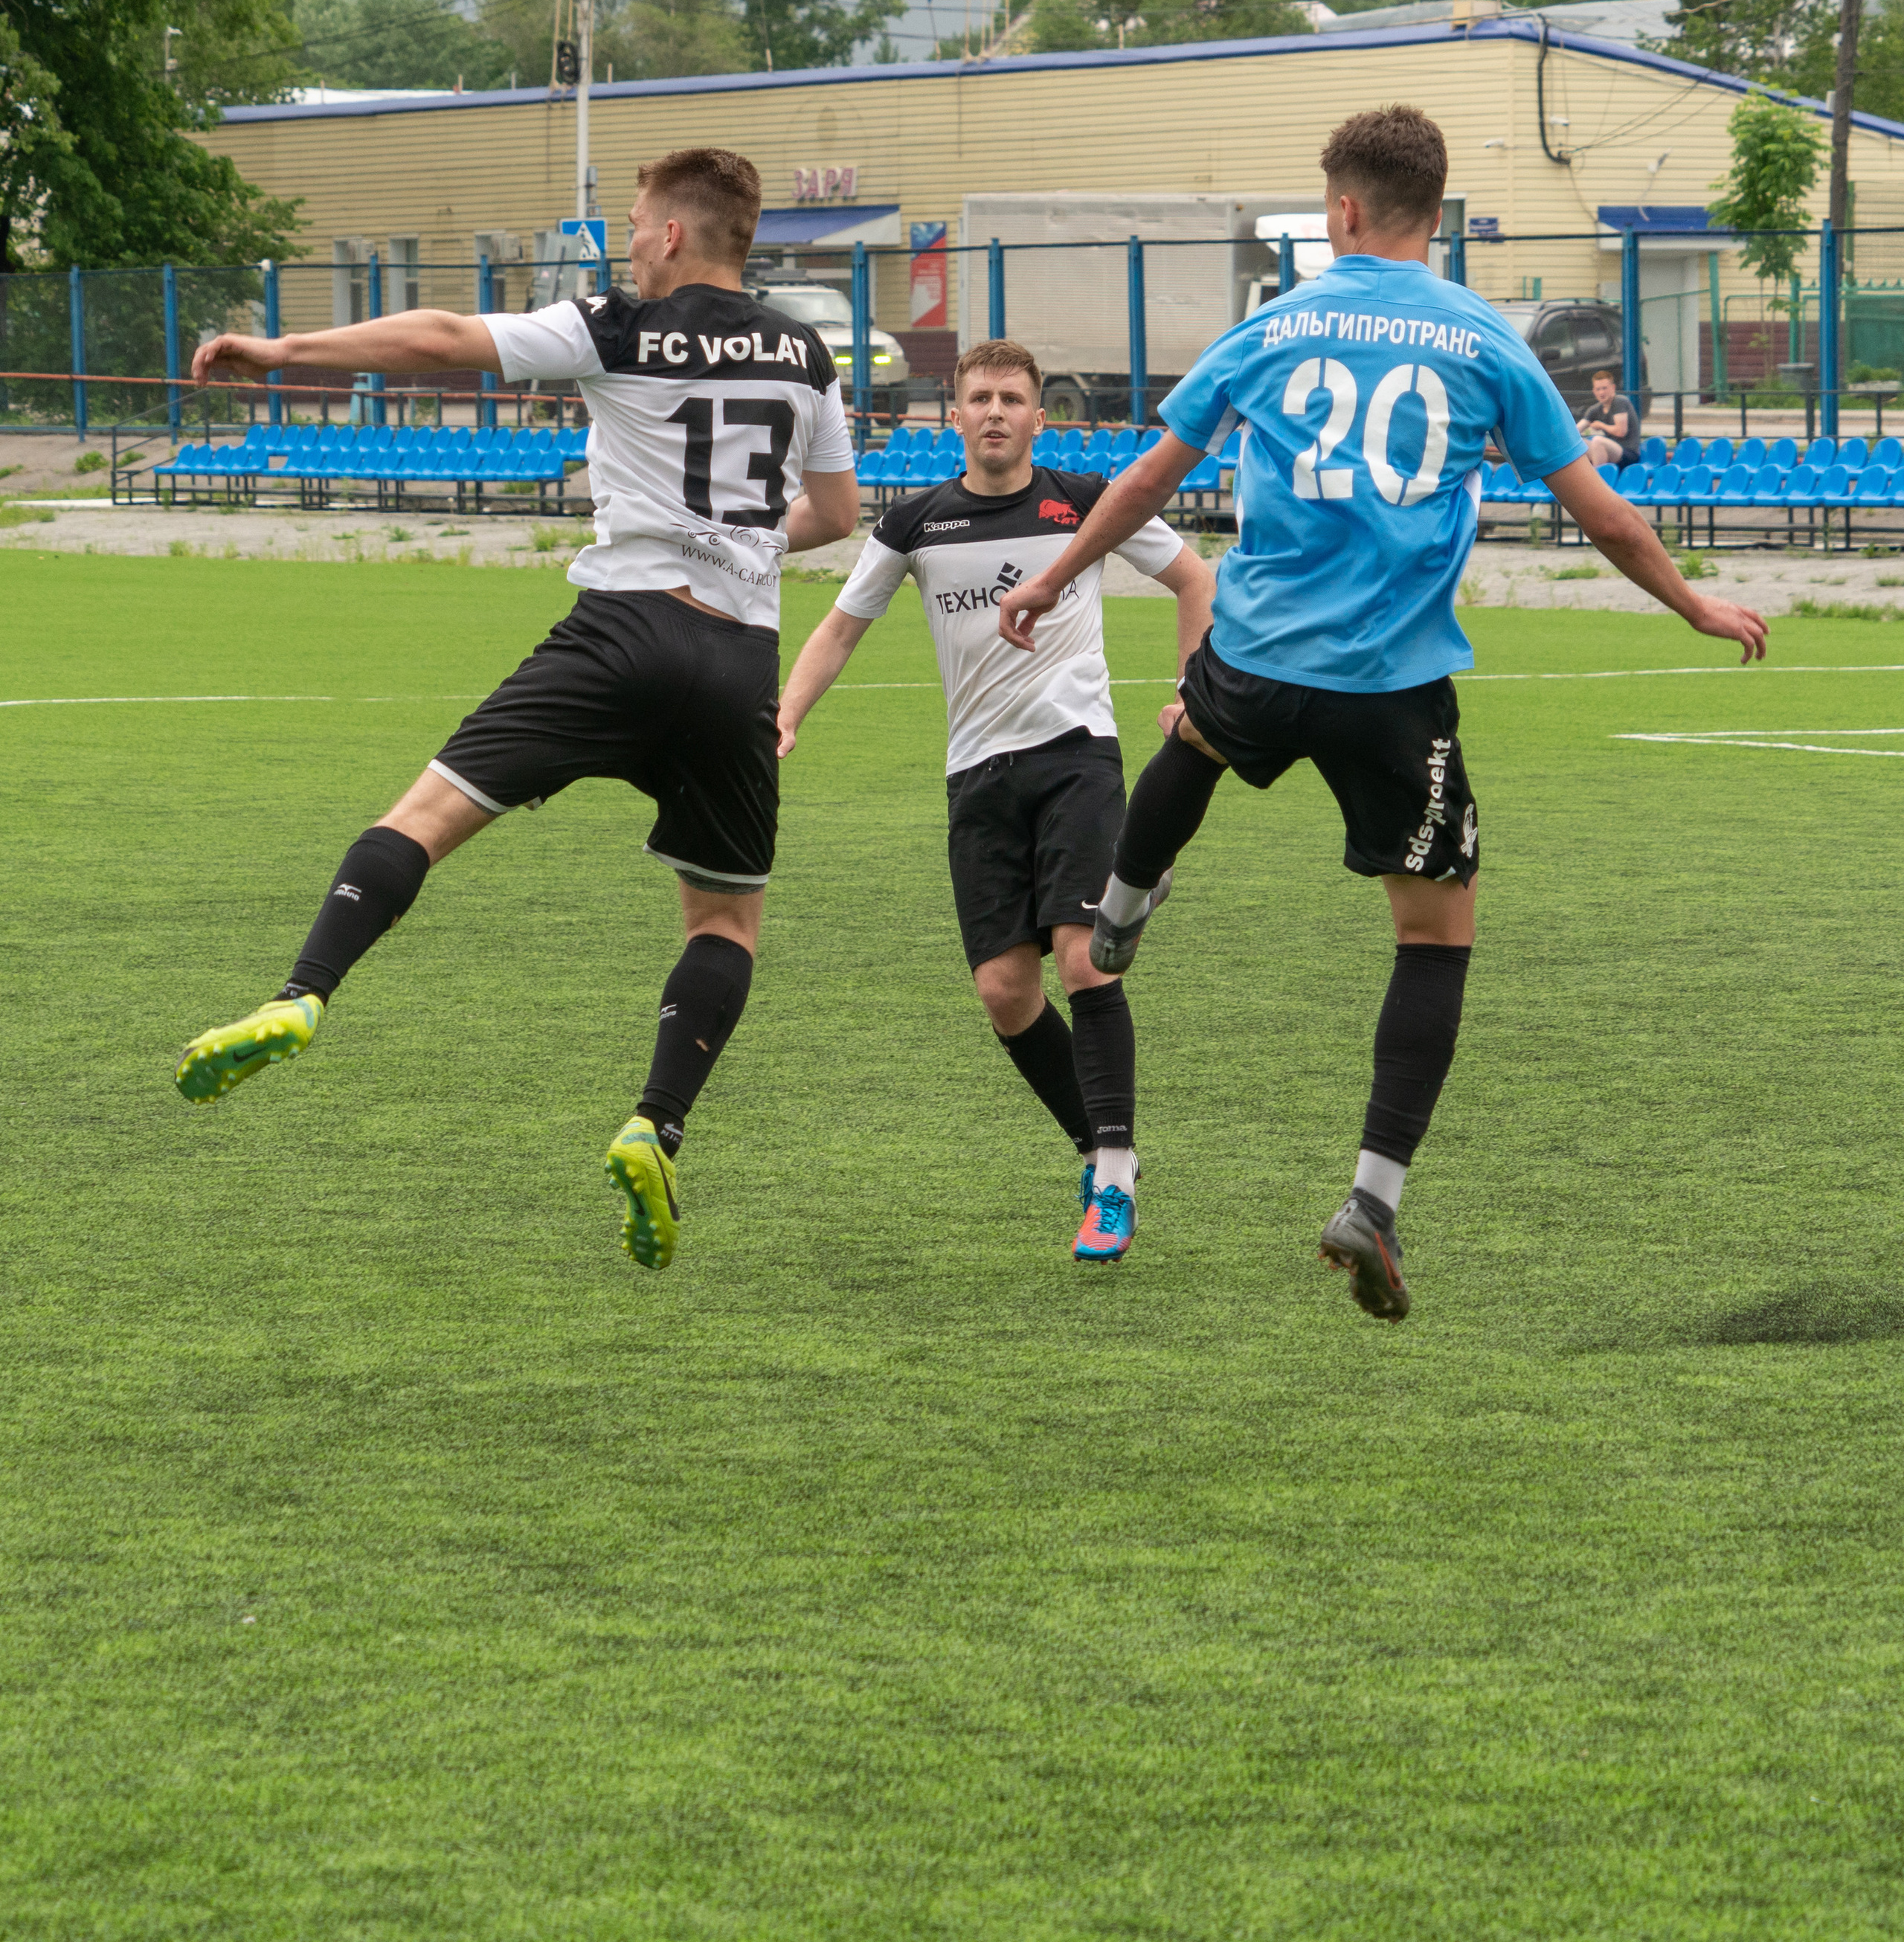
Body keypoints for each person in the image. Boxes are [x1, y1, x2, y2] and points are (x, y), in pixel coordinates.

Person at [996, 105, 1768, 1322]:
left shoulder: (1273, 326)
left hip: (1257, 657)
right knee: (1434, 936)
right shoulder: (1487, 338)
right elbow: (1603, 516)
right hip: (1392, 690)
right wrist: (1693, 603)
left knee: (1196, 730)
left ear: (1343, 211)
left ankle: (1125, 909)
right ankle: (1371, 1199)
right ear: (1437, 212)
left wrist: (1052, 574)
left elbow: (1149, 477)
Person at [172, 148, 861, 1273]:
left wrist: (285, 350)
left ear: (673, 234)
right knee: (725, 923)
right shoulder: (807, 353)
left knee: (422, 820)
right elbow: (835, 513)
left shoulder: (618, 325)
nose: (628, 243)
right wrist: (732, 540)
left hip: (621, 634)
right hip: (739, 659)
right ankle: (656, 1125)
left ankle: (303, 995)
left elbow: (444, 337)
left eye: (633, 224)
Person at [776, 339, 1215, 1264]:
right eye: (979, 398)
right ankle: (1100, 1147)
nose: (994, 413)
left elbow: (1193, 579)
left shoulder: (1084, 501)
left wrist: (1192, 692)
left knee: (1083, 962)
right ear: (954, 415)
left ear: (1038, 417)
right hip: (976, 774)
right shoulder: (915, 523)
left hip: (1076, 755)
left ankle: (1112, 1177)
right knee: (1005, 994)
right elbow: (840, 628)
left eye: (1011, 399)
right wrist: (786, 715)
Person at [1580, 367, 1641, 468]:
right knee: (1579, 444)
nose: (1601, 393)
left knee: (1598, 441)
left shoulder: (1620, 402)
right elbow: (1578, 429)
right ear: (1594, 391)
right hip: (1610, 450)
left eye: (1604, 388)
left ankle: (1598, 476)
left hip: (1628, 453)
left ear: (1613, 388)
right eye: (1598, 389)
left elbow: (1621, 432)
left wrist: (1601, 425)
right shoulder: (1594, 409)